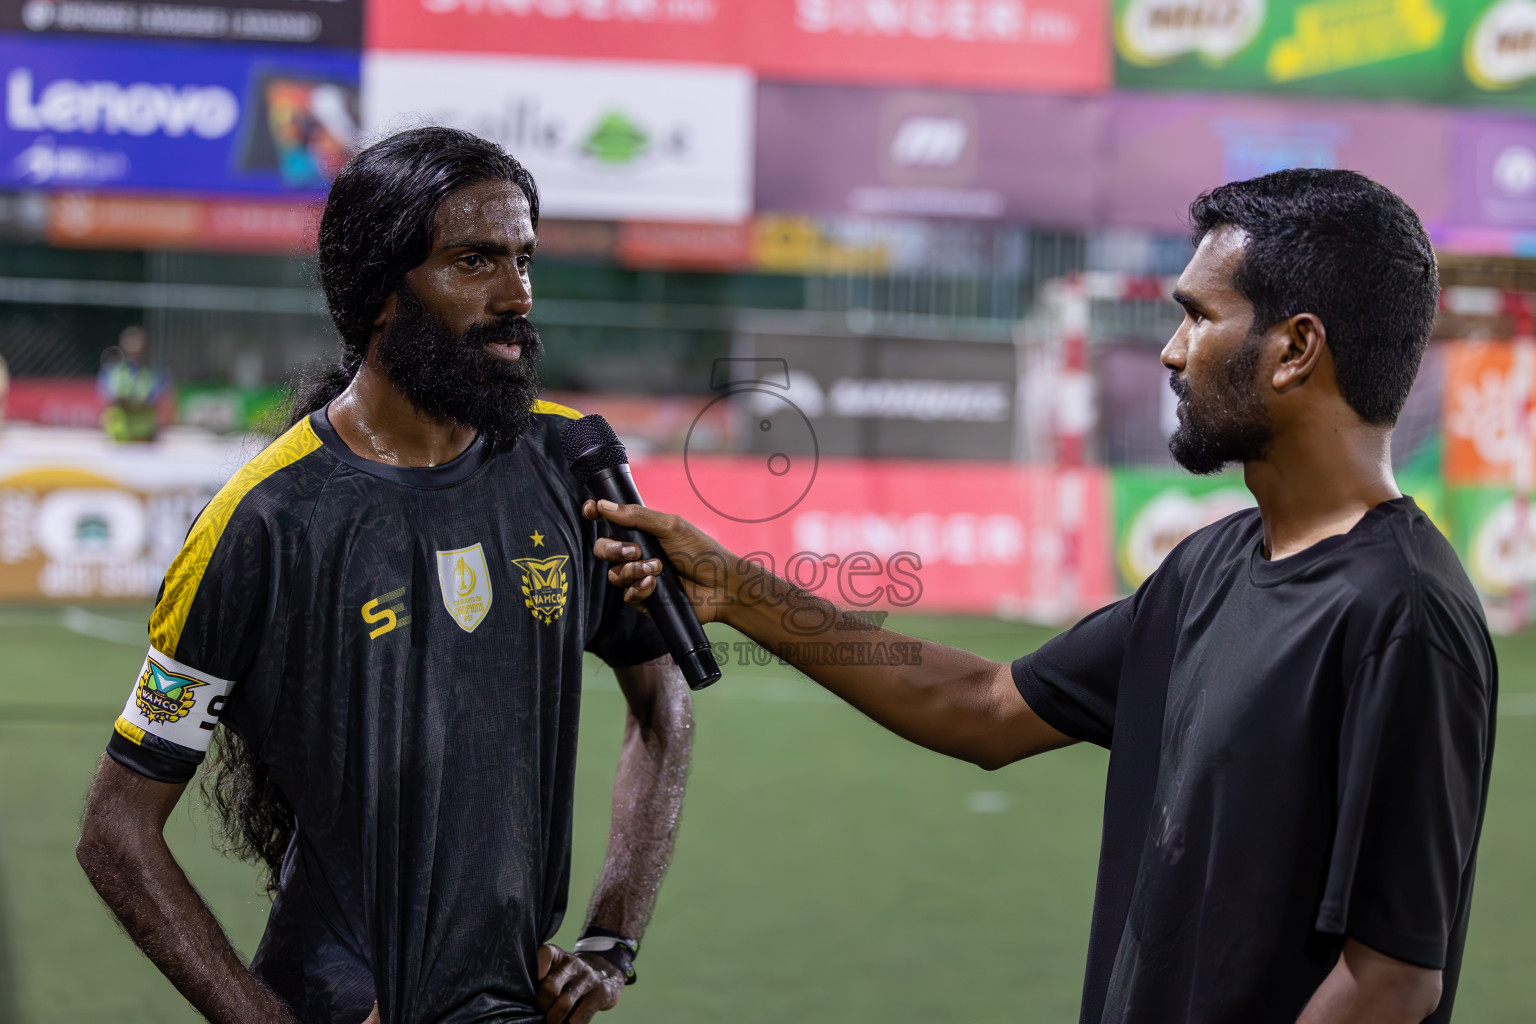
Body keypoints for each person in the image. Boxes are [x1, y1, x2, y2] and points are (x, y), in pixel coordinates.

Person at [587, 169, 1495, 1024]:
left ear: (1294, 348)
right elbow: (982, 706)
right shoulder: (1208, 567)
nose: (1173, 351)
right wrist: (736, 588)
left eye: (1198, 316)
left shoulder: (1402, 615)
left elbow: (1389, 983)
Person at [76, 127, 694, 1024]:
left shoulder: (568, 463)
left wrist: (611, 940)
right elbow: (115, 831)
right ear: (378, 294)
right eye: (473, 261)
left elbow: (662, 698)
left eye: (524, 258)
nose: (516, 293)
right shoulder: (261, 523)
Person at [98, 325, 166, 442]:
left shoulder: (153, 372)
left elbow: (156, 396)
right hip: (119, 433)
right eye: (130, 340)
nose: (133, 344)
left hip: (144, 433)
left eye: (136, 340)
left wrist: (135, 401)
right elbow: (108, 395)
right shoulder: (114, 371)